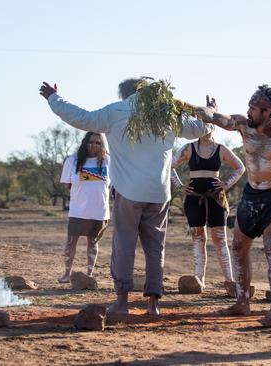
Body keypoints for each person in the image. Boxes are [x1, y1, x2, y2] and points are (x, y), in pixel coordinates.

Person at [40, 78, 212, 316]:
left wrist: (53, 98)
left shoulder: (116, 111)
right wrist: (210, 112)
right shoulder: (167, 115)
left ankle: (122, 302)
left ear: (126, 94)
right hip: (159, 194)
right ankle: (153, 305)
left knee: (124, 245)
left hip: (128, 192)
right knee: (155, 248)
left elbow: (80, 117)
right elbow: (200, 128)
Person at [187, 85, 271, 327]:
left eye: (253, 108)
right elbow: (218, 119)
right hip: (251, 195)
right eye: (248, 106)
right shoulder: (243, 125)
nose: (248, 111)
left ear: (269, 112)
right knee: (239, 247)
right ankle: (242, 301)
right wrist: (206, 110)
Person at [171, 126, 245, 292]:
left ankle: (230, 282)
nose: (205, 130)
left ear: (213, 127)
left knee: (220, 238)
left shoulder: (221, 149)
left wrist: (226, 184)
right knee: (198, 238)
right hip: (194, 198)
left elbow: (240, 167)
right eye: (201, 126)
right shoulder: (189, 148)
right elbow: (170, 165)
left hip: (216, 198)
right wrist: (179, 186)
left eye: (208, 126)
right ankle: (199, 280)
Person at [57, 132, 110, 283]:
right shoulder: (72, 161)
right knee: (71, 242)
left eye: (98, 143)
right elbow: (67, 184)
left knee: (93, 242)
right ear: (85, 143)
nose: (94, 145)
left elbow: (113, 184)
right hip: (78, 210)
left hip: (100, 210)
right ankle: (67, 274)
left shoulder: (108, 161)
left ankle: (89, 274)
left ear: (102, 145)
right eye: (91, 142)